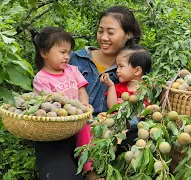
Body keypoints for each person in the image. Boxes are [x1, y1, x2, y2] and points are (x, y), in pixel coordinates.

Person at [69, 5, 143, 178]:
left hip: (108, 136)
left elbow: (137, 106)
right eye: (100, 31)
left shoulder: (132, 68)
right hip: (70, 131)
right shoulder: (74, 59)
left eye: (111, 32)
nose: (103, 37)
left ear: (129, 34)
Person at [30, 27, 95, 180]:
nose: (67, 57)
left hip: (77, 119)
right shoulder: (41, 79)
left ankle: (90, 169)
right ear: (44, 53)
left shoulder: (72, 70)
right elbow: (47, 104)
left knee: (87, 131)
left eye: (68, 52)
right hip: (58, 124)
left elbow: (81, 91)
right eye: (62, 52)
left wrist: (85, 107)